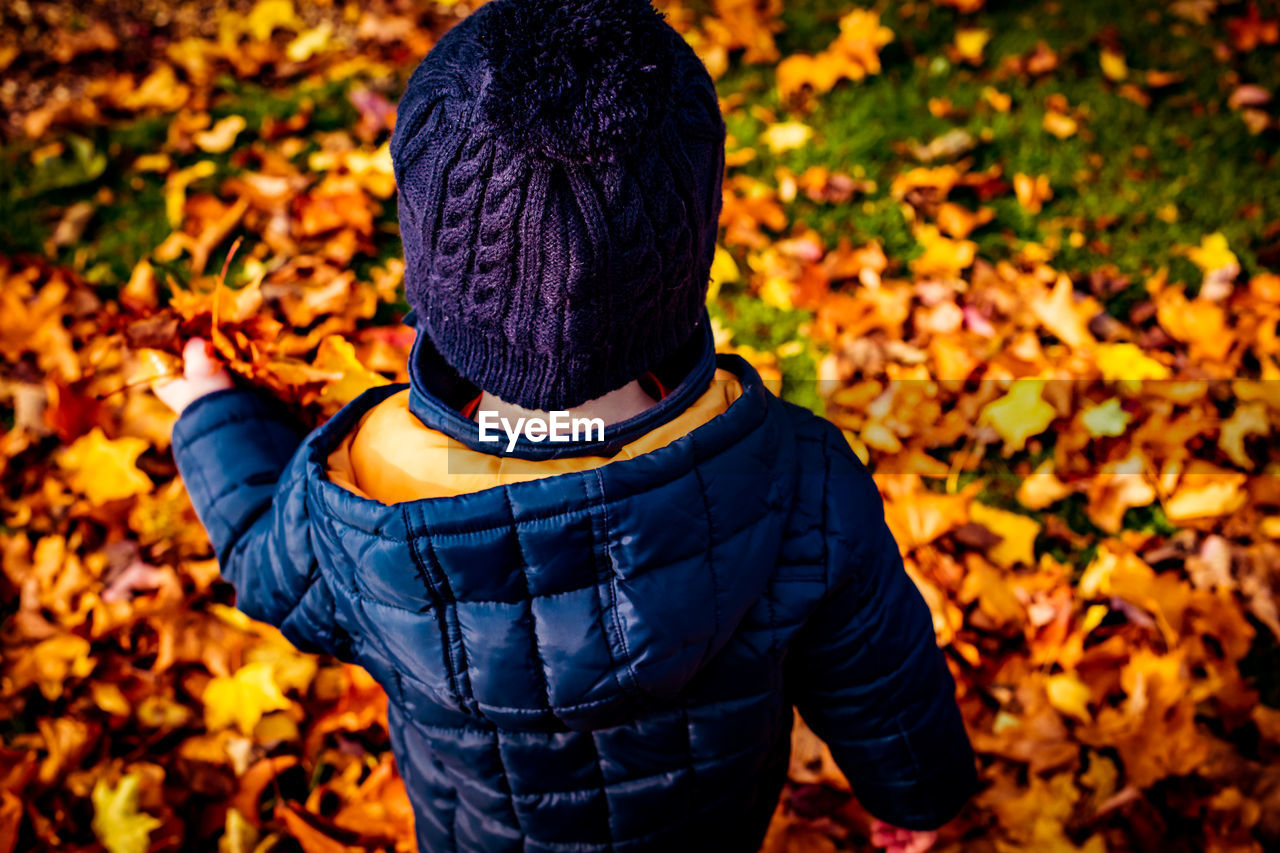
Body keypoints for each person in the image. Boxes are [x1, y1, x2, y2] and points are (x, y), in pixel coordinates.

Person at [157, 1, 979, 850]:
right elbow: (881, 673)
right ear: (689, 234)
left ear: (436, 246)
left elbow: (261, 553)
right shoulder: (799, 479)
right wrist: (918, 798)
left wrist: (214, 411)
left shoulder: (363, 496)